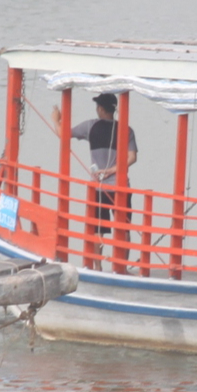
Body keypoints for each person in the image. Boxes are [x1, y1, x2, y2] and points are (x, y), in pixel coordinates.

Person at [80, 93, 136, 269]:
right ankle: (121, 267)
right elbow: (132, 157)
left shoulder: (90, 126)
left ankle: (98, 267)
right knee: (124, 228)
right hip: (121, 186)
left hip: (99, 188)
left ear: (101, 109)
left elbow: (64, 133)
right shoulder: (126, 130)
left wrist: (56, 120)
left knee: (98, 228)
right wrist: (113, 170)